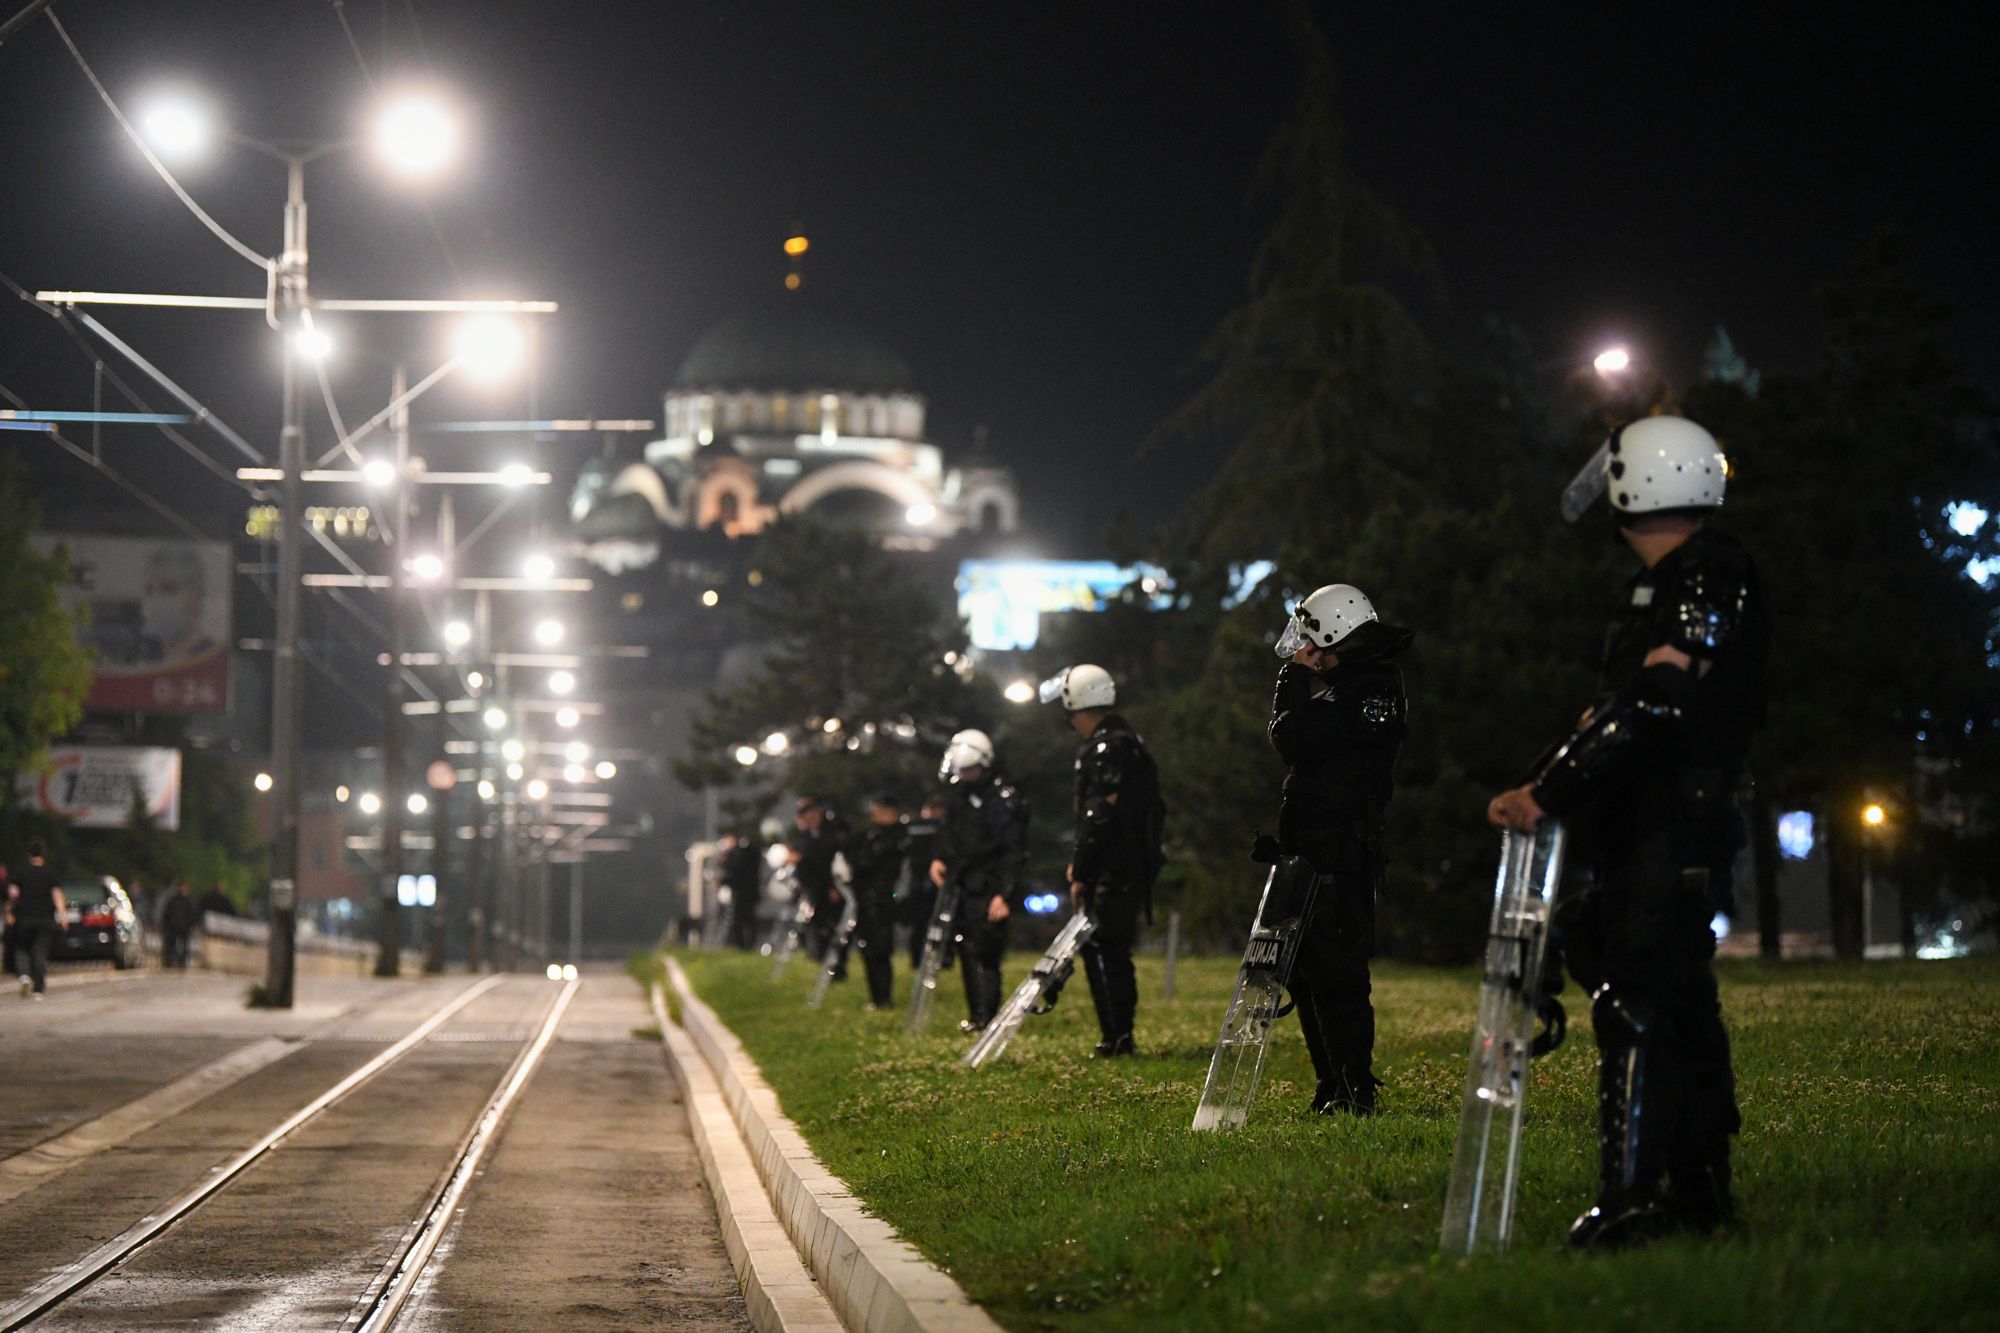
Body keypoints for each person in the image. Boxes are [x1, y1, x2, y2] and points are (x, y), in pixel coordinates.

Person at [1489, 414, 1765, 1248]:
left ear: (1635, 484)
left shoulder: (1708, 571)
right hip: (1644, 820)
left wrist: (1549, 790)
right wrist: (1545, 782)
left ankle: (1634, 1199)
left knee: (1638, 999)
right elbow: (1612, 712)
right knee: (1668, 996)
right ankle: (1698, 1190)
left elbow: (1655, 703)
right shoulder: (1668, 580)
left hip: (1675, 821)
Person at [1268, 583, 1413, 1115]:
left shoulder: (1364, 688)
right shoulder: (1358, 684)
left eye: (1313, 638)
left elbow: (1290, 738)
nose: (1307, 649)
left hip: (1338, 854)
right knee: (1308, 974)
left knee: (1338, 975)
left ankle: (1354, 1090)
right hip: (1318, 851)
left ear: (1333, 633)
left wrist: (1293, 677)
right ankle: (1333, 1085)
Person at [1042, 664, 1166, 1058]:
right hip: (1129, 863)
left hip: (1113, 868)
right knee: (1109, 949)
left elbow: (1099, 816)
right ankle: (1117, 1035)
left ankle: (1117, 1037)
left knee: (1105, 950)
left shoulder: (1106, 749)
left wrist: (1081, 870)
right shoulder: (1128, 742)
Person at [930, 729, 1028, 1033]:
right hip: (965, 884)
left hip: (989, 884)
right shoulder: (960, 795)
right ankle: (976, 1015)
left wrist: (1003, 894)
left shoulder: (1002, 799)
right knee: (966, 948)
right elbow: (952, 834)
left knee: (985, 951)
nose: (963, 775)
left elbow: (1013, 850)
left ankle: (987, 1017)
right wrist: (941, 858)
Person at [847, 793, 911, 1009]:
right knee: (869, 951)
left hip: (885, 900)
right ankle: (877, 997)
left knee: (881, 950)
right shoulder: (870, 835)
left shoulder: (900, 837)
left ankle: (884, 999)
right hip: (866, 900)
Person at [787, 797, 848, 968]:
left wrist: (835, 888)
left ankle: (836, 966)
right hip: (810, 889)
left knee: (831, 927)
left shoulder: (832, 834)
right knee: (812, 928)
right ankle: (817, 959)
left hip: (829, 888)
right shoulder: (804, 836)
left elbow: (827, 862)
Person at [10, 839, 67, 999]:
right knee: (39, 952)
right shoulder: (50, 873)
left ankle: (24, 976)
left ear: (29, 854)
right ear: (44, 855)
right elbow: (57, 895)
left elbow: (13, 893)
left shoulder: (21, 872)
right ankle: (38, 990)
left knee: (21, 948)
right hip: (45, 920)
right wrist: (62, 916)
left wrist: (10, 910)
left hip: (24, 919)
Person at [901, 792, 947, 969]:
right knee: (920, 924)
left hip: (935, 883)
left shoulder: (942, 829)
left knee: (937, 923)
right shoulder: (917, 828)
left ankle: (938, 958)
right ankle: (918, 958)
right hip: (919, 883)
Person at [717, 833, 764, 952]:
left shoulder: (740, 853)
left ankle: (744, 945)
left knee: (743, 919)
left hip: (744, 892)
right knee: (744, 919)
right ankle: (743, 945)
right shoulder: (740, 852)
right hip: (745, 892)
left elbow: (735, 873)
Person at [160, 878, 199, 971]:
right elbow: (167, 914)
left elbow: (193, 915)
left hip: (182, 927)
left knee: (182, 945)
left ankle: (179, 962)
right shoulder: (176, 900)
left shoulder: (184, 901)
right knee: (174, 945)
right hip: (175, 927)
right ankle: (172, 962)